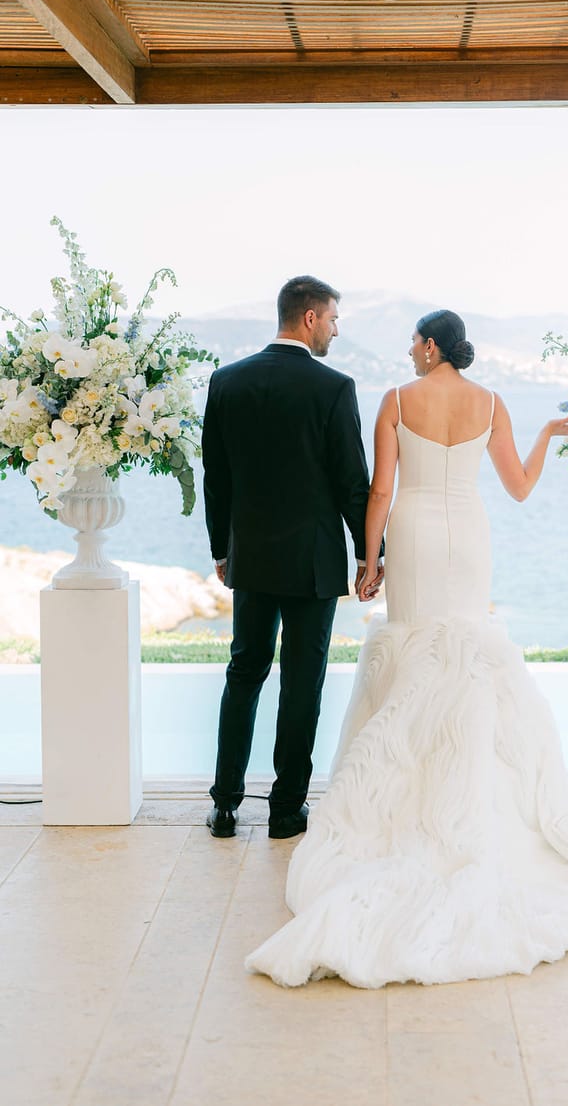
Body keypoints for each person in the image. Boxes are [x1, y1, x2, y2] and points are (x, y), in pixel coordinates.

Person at [246, 309, 568, 987]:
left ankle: (410, 800)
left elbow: (382, 488)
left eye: (415, 339)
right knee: (466, 652)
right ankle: (469, 793)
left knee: (414, 648)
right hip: (468, 532)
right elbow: (521, 489)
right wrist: (551, 434)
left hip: (412, 530)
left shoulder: (397, 400)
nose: (410, 349)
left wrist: (369, 558)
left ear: (432, 343)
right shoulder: (492, 402)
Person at [201, 275, 381, 841]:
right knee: (303, 683)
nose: (333, 330)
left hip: (251, 558)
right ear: (309, 318)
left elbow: (216, 477)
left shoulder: (226, 381)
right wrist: (368, 555)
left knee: (244, 671)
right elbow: (353, 481)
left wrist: (221, 549)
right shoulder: (334, 387)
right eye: (332, 319)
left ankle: (226, 804)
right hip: (312, 563)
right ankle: (285, 810)